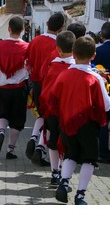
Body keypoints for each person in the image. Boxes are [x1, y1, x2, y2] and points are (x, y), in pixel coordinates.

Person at [50, 36, 110, 205]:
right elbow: (105, 105)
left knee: (70, 154)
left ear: (73, 54)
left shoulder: (64, 74)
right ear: (94, 56)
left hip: (67, 122)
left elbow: (54, 98)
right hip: (87, 125)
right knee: (89, 158)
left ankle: (63, 183)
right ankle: (80, 195)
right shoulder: (95, 78)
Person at [0, 16, 29, 159]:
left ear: (9, 29)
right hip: (19, 89)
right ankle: (10, 150)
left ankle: (2, 131)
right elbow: (30, 69)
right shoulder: (27, 48)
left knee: (3, 114)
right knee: (17, 121)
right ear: (23, 30)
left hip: (2, 89)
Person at [38, 31, 76, 186]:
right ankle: (64, 176)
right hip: (70, 114)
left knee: (53, 142)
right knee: (68, 145)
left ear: (58, 49)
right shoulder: (77, 68)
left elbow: (45, 87)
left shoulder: (52, 66)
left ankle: (55, 172)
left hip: (53, 111)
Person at [25, 12, 64, 163]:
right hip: (53, 86)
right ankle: (41, 148)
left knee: (42, 115)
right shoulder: (60, 46)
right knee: (51, 118)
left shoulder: (35, 41)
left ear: (47, 23)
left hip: (37, 84)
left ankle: (36, 138)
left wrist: (32, 82)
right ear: (61, 28)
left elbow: (28, 63)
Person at [91, 22, 110, 162]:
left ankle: (103, 151)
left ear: (102, 36)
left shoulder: (99, 52)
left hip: (104, 90)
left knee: (104, 122)